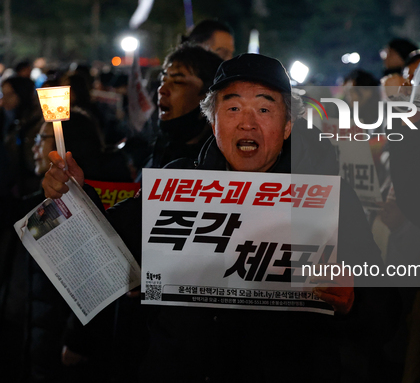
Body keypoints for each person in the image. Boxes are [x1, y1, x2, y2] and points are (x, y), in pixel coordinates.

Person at [42, 54, 391, 382]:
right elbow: (101, 253)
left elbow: (387, 307)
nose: (248, 122)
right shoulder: (175, 184)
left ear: (287, 126)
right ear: (213, 121)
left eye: (264, 108)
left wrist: (354, 299)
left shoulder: (325, 198)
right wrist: (72, 195)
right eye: (234, 107)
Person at [138, 43, 223, 180]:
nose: (162, 90)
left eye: (177, 82)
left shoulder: (221, 164)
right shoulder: (159, 149)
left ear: (208, 96)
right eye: (163, 80)